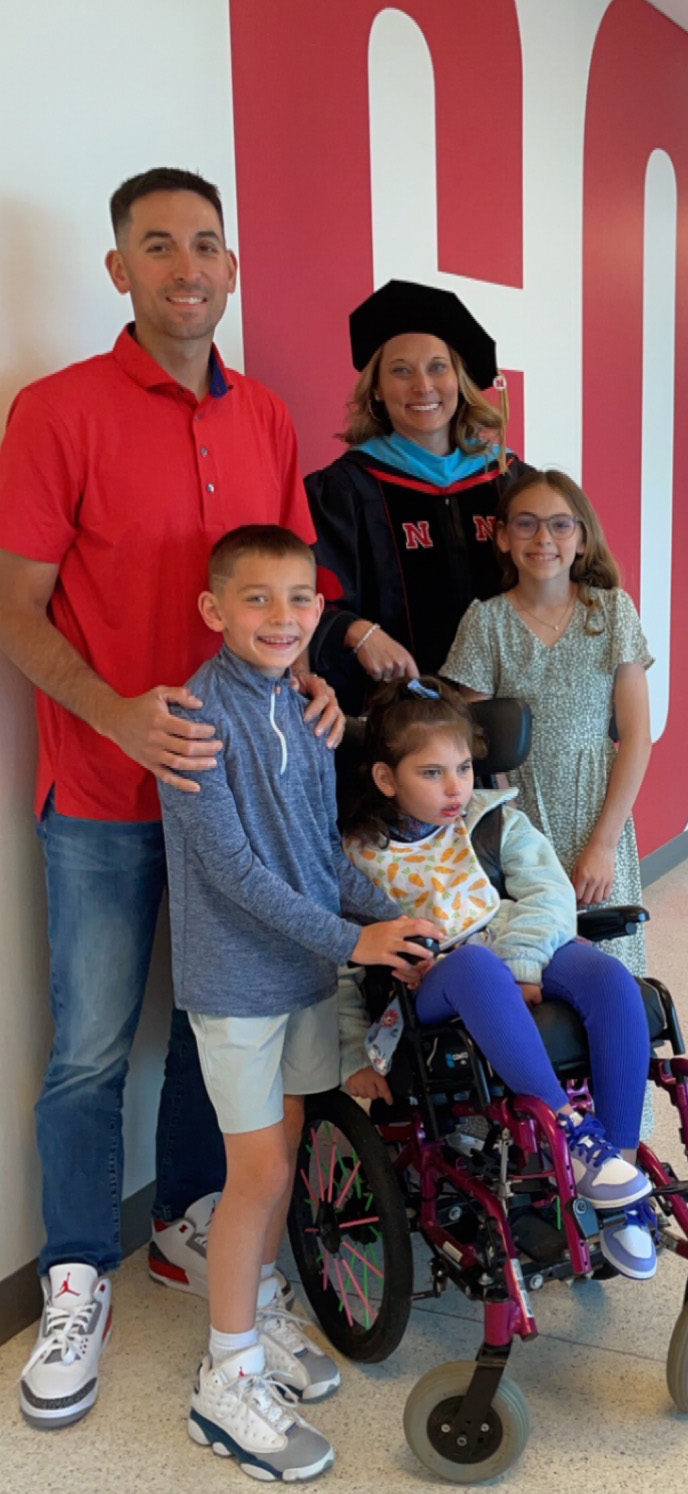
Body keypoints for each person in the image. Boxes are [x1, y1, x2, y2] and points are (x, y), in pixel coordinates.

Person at [0, 167, 341, 1429]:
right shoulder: (55, 410)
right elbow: (15, 608)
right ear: (119, 271)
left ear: (229, 269)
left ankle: (196, 1228)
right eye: (157, 246)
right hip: (100, 793)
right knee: (89, 1050)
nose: (185, 266)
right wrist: (113, 713)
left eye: (205, 244)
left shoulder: (267, 417)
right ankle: (78, 1273)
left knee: (225, 1036)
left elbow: (286, 592)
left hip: (244, 803)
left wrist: (306, 679)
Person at [157, 526, 437, 1480]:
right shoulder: (196, 718)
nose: (282, 617)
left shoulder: (308, 712)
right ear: (213, 609)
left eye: (299, 599)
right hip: (238, 988)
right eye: (256, 599)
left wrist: (396, 914)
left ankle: (259, 1306)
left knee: (281, 1163)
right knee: (258, 1177)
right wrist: (352, 939)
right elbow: (233, 870)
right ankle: (223, 1379)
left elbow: (315, 862)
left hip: (302, 977)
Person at [340, 677, 658, 1280]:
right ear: (387, 779)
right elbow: (337, 958)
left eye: (462, 767)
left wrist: (523, 962)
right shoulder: (360, 856)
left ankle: (616, 1177)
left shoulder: (492, 823)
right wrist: (346, 1051)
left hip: (512, 946)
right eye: (431, 773)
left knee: (610, 978)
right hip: (425, 985)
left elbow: (548, 897)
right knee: (477, 965)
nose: (456, 785)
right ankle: (570, 1132)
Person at [442, 468, 653, 980]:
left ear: (581, 538)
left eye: (560, 525)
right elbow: (478, 749)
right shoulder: (485, 622)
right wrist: (517, 846)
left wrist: (602, 845)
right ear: (502, 536)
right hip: (520, 817)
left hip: (596, 810)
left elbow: (636, 737)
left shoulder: (611, 612)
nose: (544, 540)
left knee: (607, 967)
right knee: (534, 964)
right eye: (527, 524)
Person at [306, 279, 530, 713]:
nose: (422, 386)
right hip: (394, 728)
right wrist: (358, 632)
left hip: (503, 722)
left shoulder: (508, 481)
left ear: (459, 379)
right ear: (375, 388)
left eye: (438, 367)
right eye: (401, 370)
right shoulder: (344, 492)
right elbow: (303, 601)